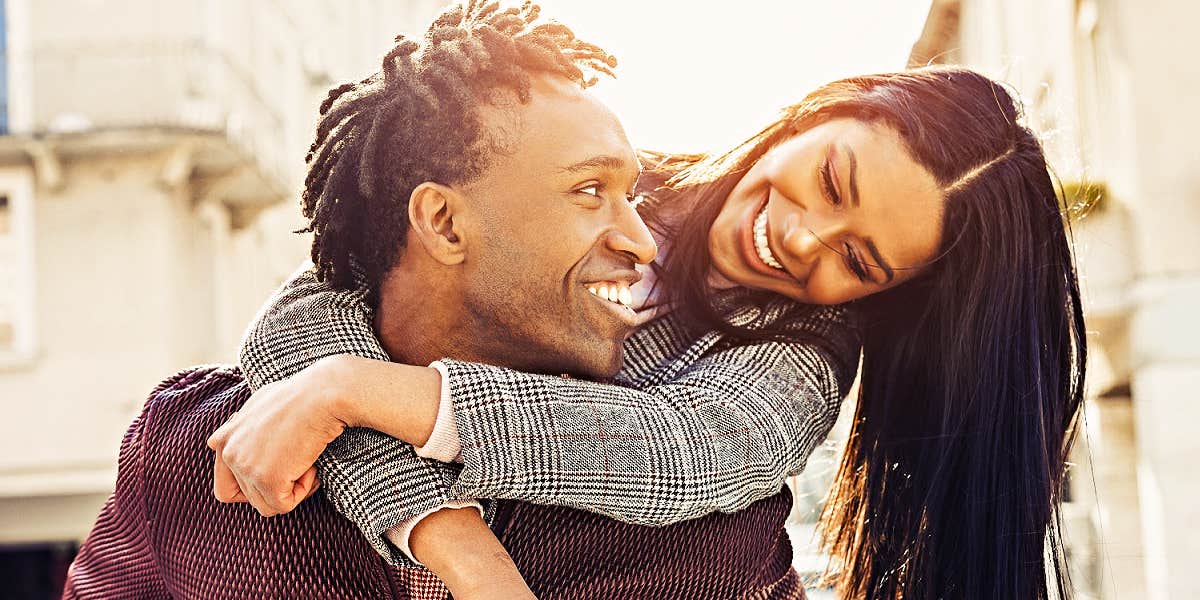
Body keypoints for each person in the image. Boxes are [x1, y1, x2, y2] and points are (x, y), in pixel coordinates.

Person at [214, 59, 1088, 600]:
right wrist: (450, 538)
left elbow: (677, 456)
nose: (803, 237)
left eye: (858, 262)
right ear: (812, 115)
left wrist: (354, 391)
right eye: (828, 178)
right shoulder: (602, 174)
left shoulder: (801, 358)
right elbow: (315, 314)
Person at [59, 3, 761, 598]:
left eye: (631, 195)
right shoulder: (187, 454)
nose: (641, 241)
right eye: (589, 191)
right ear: (444, 223)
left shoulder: (713, 530)